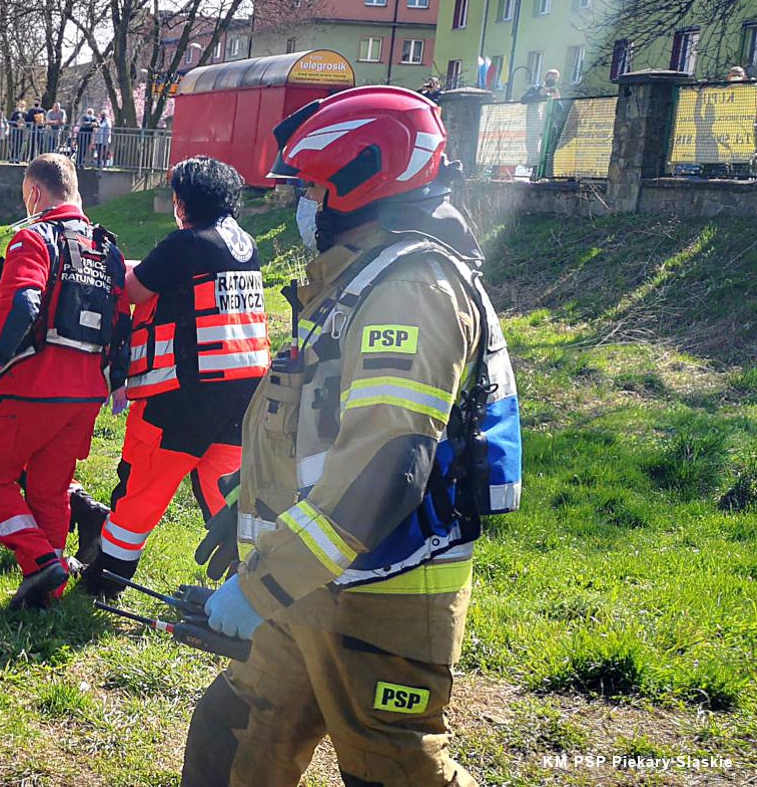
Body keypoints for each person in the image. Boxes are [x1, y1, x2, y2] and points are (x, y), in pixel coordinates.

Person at [180, 85, 522, 786]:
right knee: (234, 736)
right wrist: (253, 499)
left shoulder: (410, 287)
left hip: (383, 589)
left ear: (363, 181)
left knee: (395, 771)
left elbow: (386, 465)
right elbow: (327, 423)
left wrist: (262, 585)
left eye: (309, 186)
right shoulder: (358, 277)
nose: (298, 203)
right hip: (311, 576)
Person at [70, 157, 267, 594]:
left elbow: (135, 287)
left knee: (142, 487)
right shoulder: (243, 243)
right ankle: (250, 585)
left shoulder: (188, 244)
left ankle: (105, 582)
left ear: (185, 200)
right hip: (243, 390)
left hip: (184, 395)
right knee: (226, 493)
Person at [0, 153, 131, 609]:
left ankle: (41, 563)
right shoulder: (108, 249)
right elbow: (122, 321)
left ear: (34, 193)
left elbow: (21, 303)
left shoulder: (33, 238)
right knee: (50, 489)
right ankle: (49, 587)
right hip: (86, 394)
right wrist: (116, 381)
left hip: (32, 386)